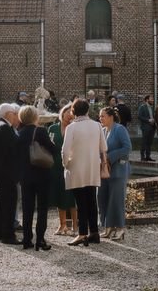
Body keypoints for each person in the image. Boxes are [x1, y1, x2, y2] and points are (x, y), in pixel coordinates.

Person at [62, 99, 107, 246]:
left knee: (80, 202)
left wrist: (66, 164)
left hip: (76, 168)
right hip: (93, 167)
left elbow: (65, 150)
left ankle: (82, 234)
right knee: (91, 201)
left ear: (74, 111)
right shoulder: (97, 125)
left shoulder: (71, 127)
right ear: (87, 110)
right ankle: (94, 232)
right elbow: (103, 147)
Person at [15, 105, 56, 250]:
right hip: (42, 174)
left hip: (25, 175)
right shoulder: (40, 131)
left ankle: (27, 240)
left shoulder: (18, 132)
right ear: (35, 117)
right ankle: (40, 240)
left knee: (27, 209)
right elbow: (53, 150)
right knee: (42, 208)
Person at [0, 103, 21, 244]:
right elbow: (15, 150)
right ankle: (8, 235)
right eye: (14, 113)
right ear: (8, 114)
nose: (16, 116)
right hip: (7, 173)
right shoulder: (5, 128)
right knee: (8, 204)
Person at [98, 106, 132, 241]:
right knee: (102, 198)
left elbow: (127, 148)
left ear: (111, 117)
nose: (100, 118)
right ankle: (108, 227)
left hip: (118, 170)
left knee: (116, 200)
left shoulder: (120, 129)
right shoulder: (102, 131)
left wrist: (109, 157)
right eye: (99, 116)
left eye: (102, 116)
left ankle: (120, 228)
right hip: (104, 171)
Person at [48, 104, 78, 236]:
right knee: (59, 194)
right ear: (62, 112)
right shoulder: (53, 128)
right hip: (55, 166)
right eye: (67, 111)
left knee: (72, 196)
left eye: (71, 112)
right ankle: (62, 225)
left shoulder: (75, 128)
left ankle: (75, 227)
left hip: (71, 165)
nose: (68, 114)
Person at [137, 95, 156, 162]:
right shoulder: (142, 107)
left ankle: (148, 156)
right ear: (147, 100)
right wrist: (148, 120)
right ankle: (142, 157)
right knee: (144, 142)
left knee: (149, 142)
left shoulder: (152, 107)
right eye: (151, 99)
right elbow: (139, 116)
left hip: (152, 127)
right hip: (145, 127)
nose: (153, 100)